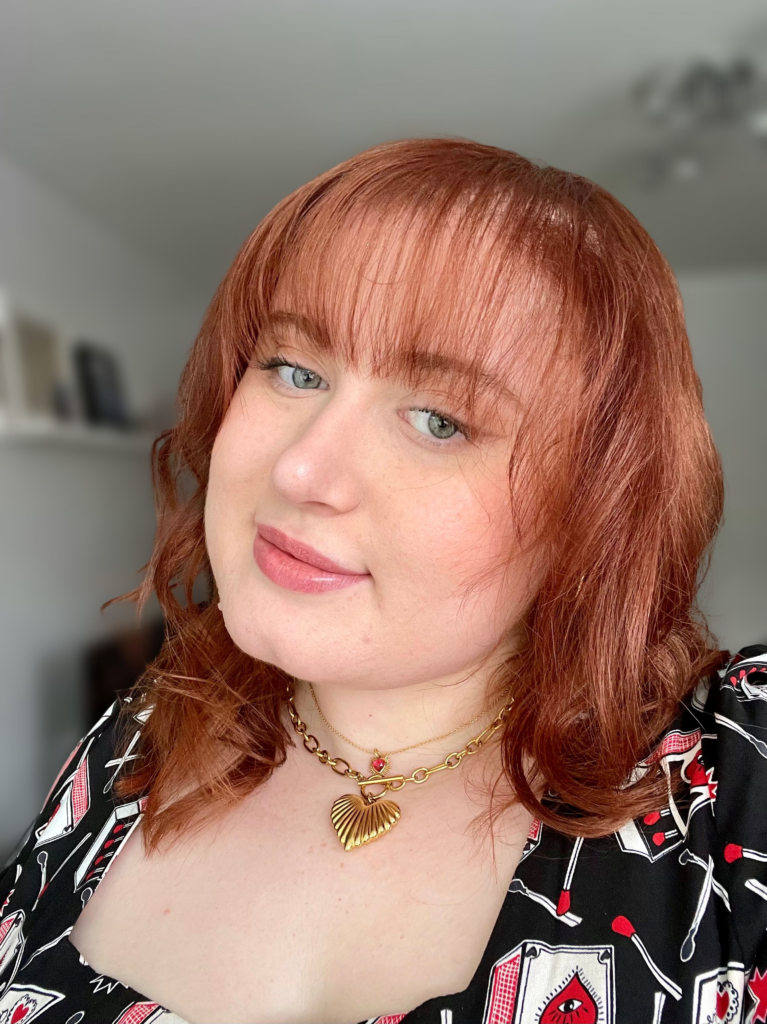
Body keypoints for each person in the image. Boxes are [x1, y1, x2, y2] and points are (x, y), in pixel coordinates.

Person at [1, 137, 765, 1024]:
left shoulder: (728, 786)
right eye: (293, 369)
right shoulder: (132, 739)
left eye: (440, 420)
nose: (301, 471)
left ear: (593, 509)